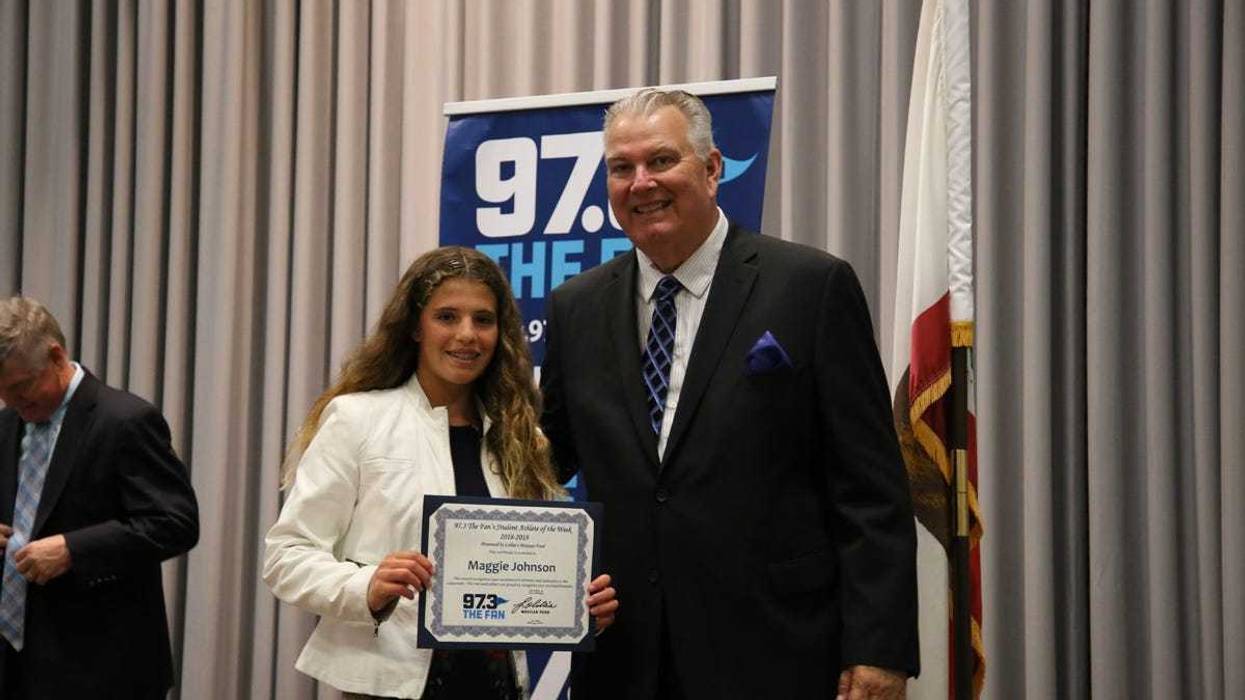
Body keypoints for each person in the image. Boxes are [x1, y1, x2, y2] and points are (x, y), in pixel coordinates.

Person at [540, 89, 919, 700]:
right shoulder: (575, 306)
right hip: (624, 657)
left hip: (776, 651)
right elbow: (545, 465)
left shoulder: (810, 287)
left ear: (712, 169)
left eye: (661, 161)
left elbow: (870, 490)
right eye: (621, 168)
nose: (641, 183)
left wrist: (879, 648)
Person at [264, 247, 619, 699]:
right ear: (415, 326)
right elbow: (286, 556)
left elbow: (530, 570)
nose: (467, 335)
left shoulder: (520, 438)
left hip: (497, 686)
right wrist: (366, 585)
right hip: (386, 686)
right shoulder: (356, 419)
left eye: (483, 320)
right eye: (447, 317)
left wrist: (577, 606)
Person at [0, 296, 200, 698]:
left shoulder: (125, 420)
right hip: (14, 665)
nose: (14, 403)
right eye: (3, 393)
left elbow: (175, 523)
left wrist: (74, 549)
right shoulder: (8, 423)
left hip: (101, 666)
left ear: (56, 357)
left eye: (22, 387)